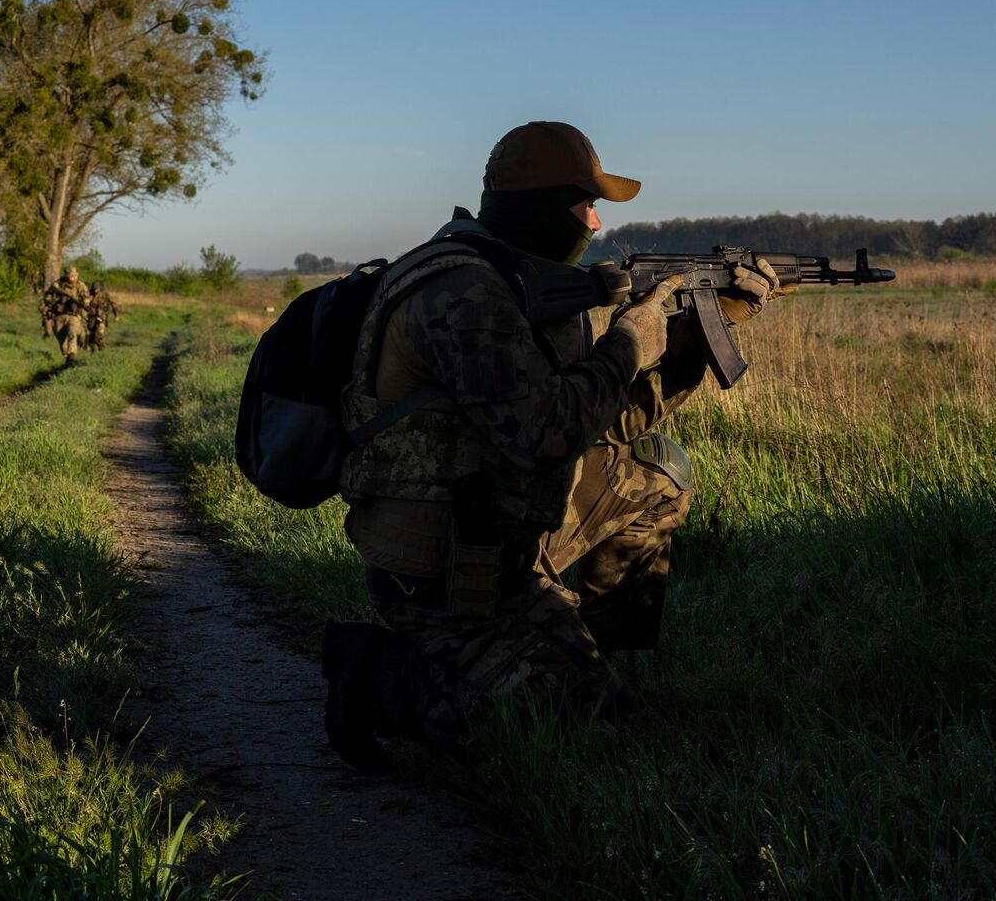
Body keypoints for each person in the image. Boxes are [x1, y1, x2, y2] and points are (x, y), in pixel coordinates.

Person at [323, 120, 790, 770]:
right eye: (585, 205)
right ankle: (379, 676)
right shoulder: (464, 292)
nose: (595, 226)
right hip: (440, 562)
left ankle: (577, 648)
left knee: (658, 473)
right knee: (576, 732)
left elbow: (610, 423)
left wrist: (694, 335)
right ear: (538, 204)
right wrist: (628, 343)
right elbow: (543, 434)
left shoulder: (524, 283)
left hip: (501, 522)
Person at [41, 266, 90, 364]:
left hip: (73, 315)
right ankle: (67, 356)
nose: (73, 278)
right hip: (59, 316)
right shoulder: (57, 285)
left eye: (75, 276)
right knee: (61, 338)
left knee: (72, 334)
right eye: (71, 276)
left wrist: (84, 302)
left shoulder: (80, 285)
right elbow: (47, 296)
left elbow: (86, 298)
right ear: (66, 276)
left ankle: (72, 356)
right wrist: (52, 300)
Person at [85, 283, 118, 350]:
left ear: (100, 289)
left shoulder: (105, 294)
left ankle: (102, 350)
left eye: (97, 289)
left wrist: (116, 315)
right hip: (91, 317)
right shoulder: (89, 294)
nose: (95, 291)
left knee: (99, 334)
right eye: (94, 289)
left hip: (102, 317)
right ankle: (92, 352)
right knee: (91, 336)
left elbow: (114, 304)